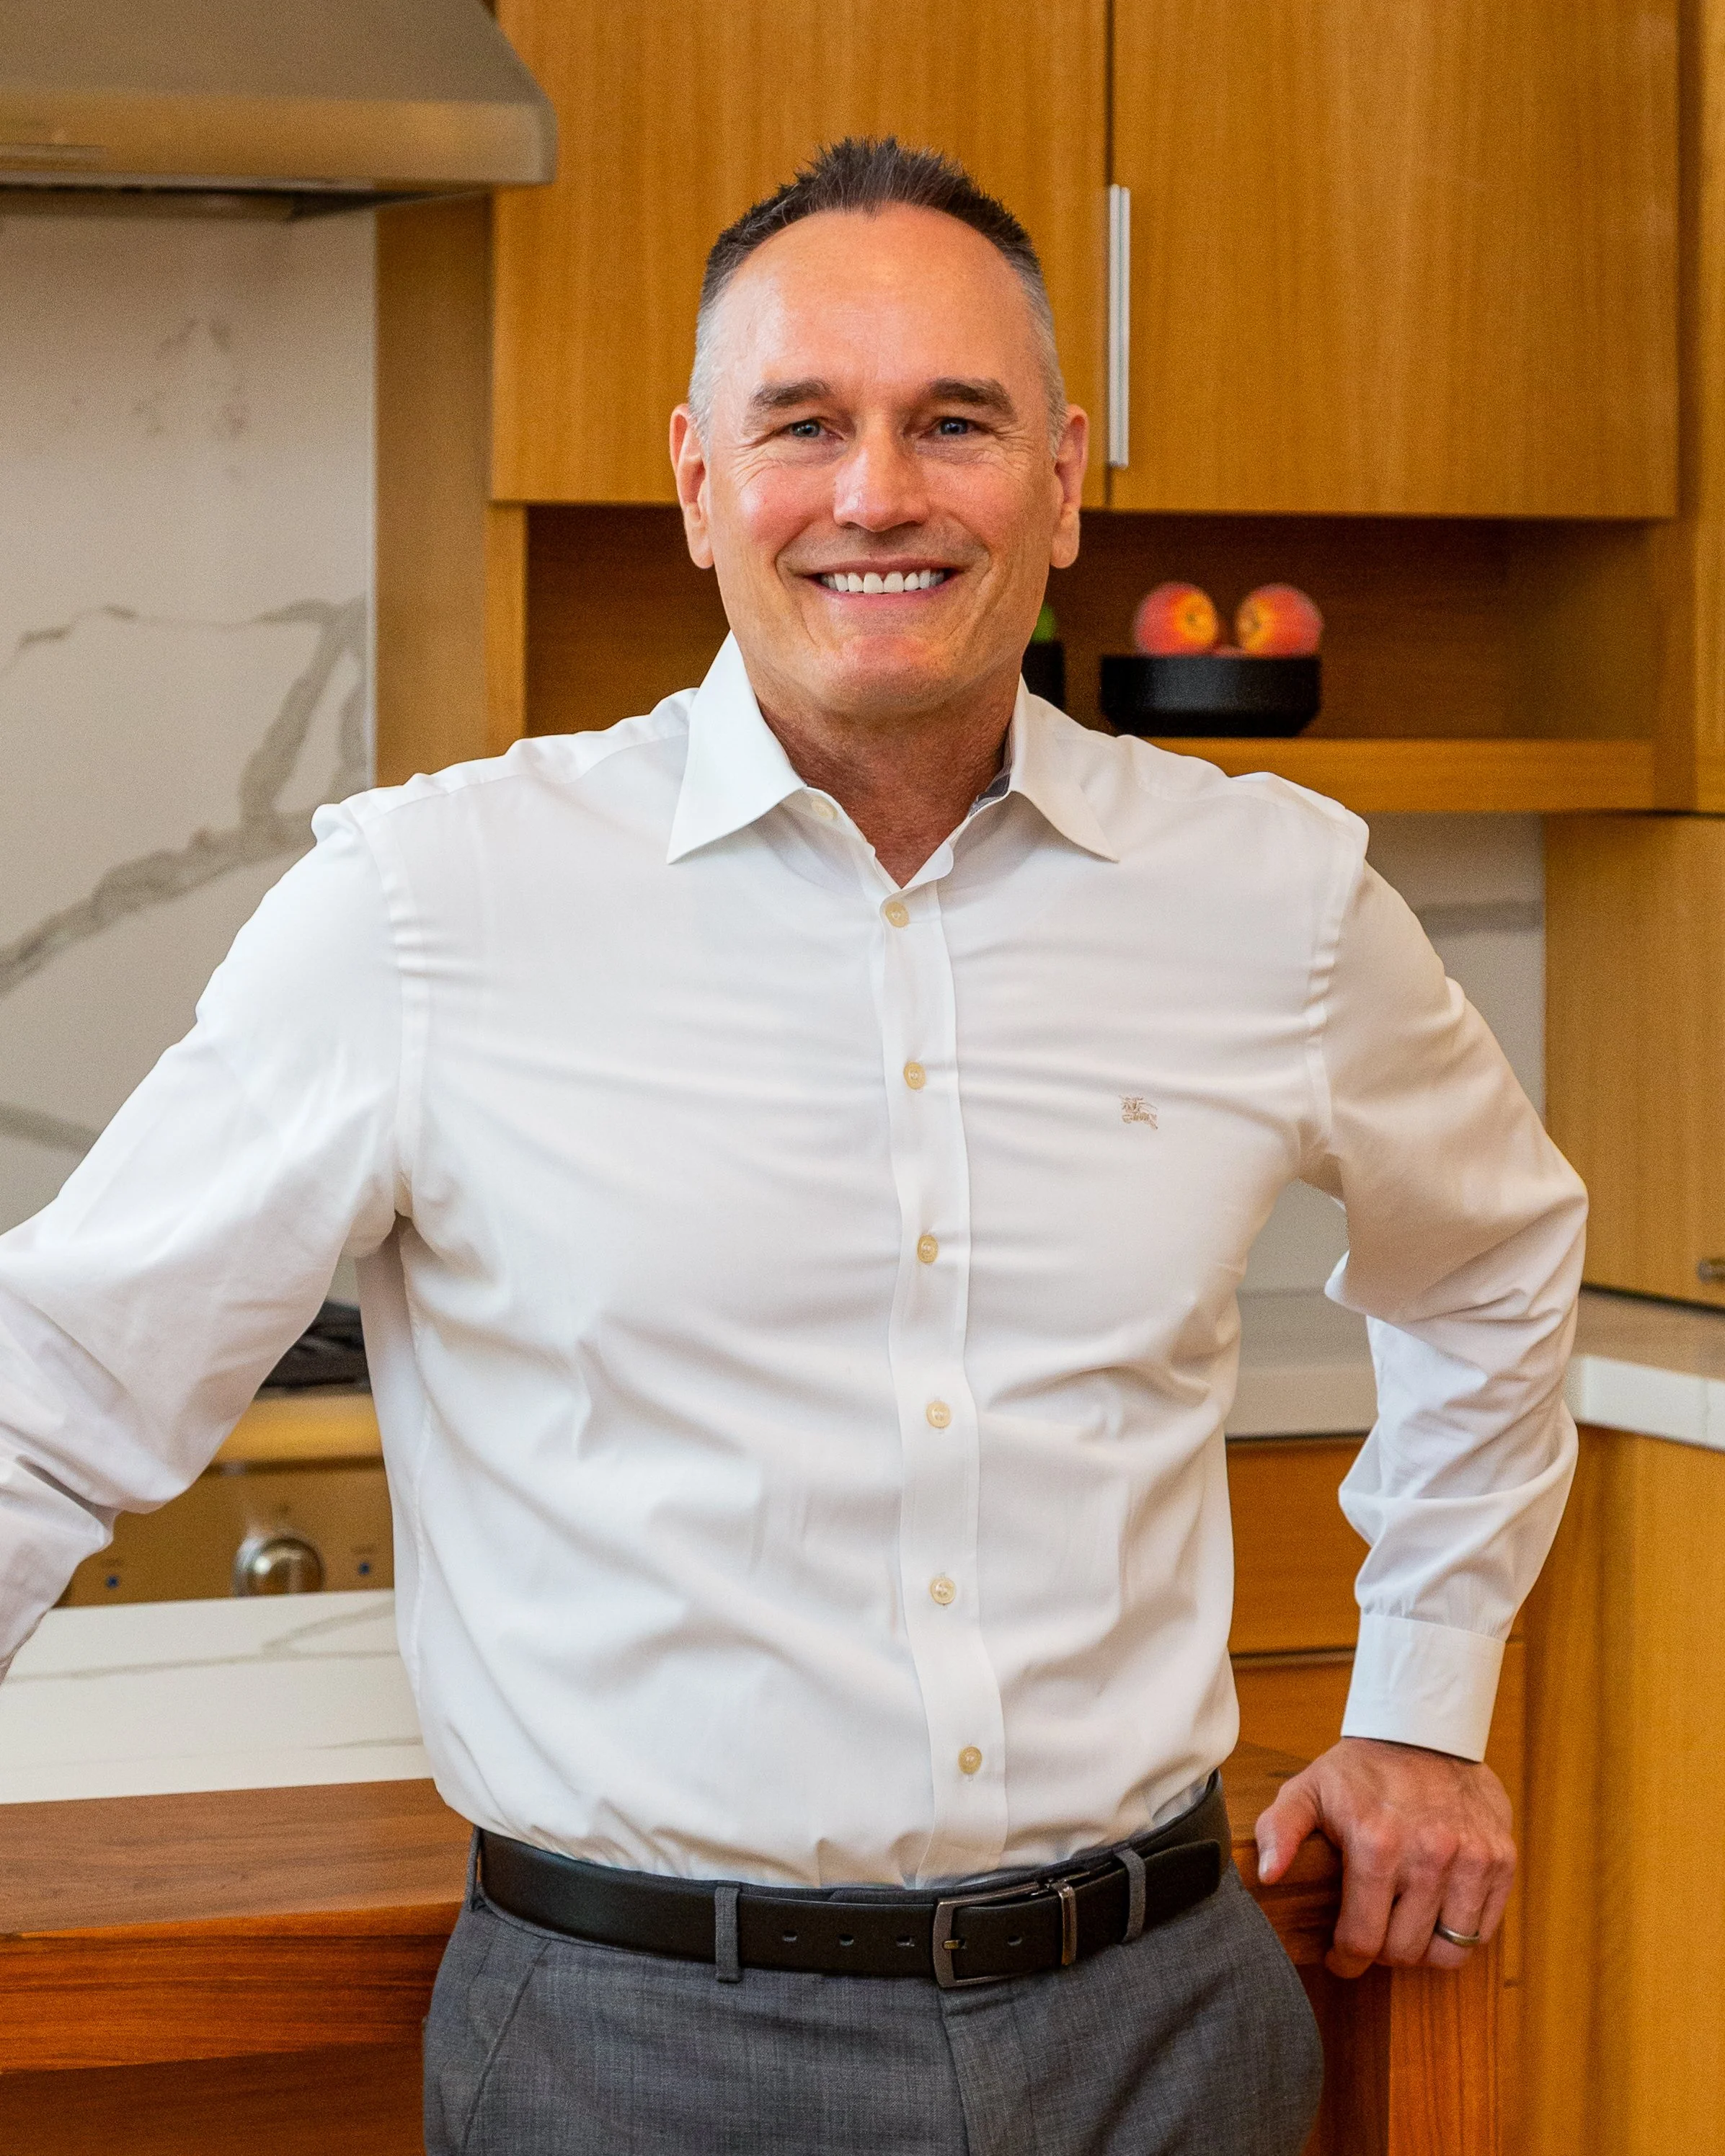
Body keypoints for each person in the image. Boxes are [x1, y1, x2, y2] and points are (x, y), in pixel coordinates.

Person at [0, 139, 1583, 2155]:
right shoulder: (431, 903)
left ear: (1069, 476)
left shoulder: (1267, 897)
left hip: (1168, 2032)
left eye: (955, 423)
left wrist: (1426, 1702)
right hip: (629, 2054)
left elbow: (1502, 1263)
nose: (875, 494)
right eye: (804, 425)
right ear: (694, 480)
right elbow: (51, 1388)